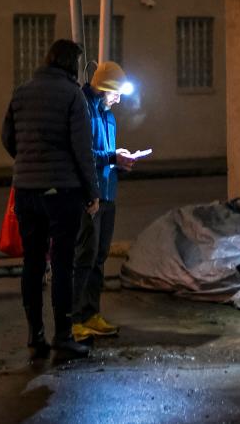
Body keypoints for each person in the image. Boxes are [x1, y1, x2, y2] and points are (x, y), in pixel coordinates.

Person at [1, 39, 100, 361]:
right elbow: (81, 149)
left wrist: (28, 163)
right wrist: (92, 192)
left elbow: (8, 137)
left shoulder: (21, 91)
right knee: (62, 264)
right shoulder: (72, 95)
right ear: (72, 65)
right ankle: (63, 336)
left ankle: (35, 337)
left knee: (32, 262)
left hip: (26, 192)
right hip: (62, 192)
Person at [72, 61, 138, 341]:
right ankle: (76, 320)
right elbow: (83, 154)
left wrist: (117, 156)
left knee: (98, 256)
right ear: (104, 88)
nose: (119, 99)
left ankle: (91, 313)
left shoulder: (107, 115)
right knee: (84, 257)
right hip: (91, 196)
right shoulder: (85, 110)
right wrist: (112, 157)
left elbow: (102, 152)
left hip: (108, 193)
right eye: (116, 93)